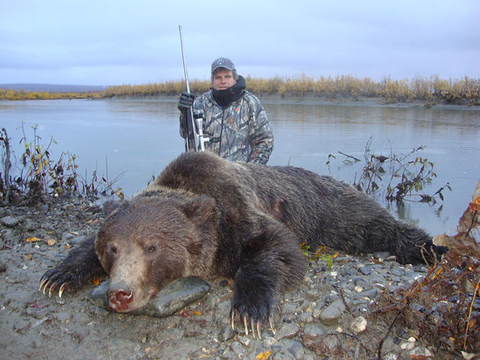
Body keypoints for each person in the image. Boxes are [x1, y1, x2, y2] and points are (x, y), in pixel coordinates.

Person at [178, 57, 274, 164]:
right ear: (212, 81)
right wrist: (185, 113)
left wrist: (251, 171)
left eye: (227, 76)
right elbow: (186, 134)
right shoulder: (202, 102)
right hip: (206, 172)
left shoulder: (250, 102)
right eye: (218, 78)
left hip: (239, 175)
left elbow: (265, 140)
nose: (223, 81)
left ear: (235, 78)